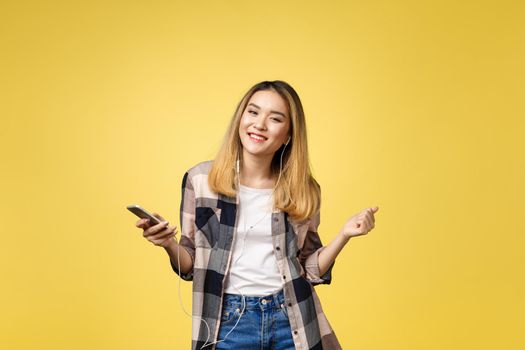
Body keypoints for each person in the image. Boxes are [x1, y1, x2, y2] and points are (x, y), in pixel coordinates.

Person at [135, 80, 379, 350]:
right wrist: (168, 242)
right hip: (227, 322)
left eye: (275, 118)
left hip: (291, 318)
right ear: (241, 118)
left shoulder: (304, 189)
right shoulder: (201, 180)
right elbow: (190, 264)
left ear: (288, 135)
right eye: (253, 112)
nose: (259, 124)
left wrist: (345, 235)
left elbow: (308, 270)